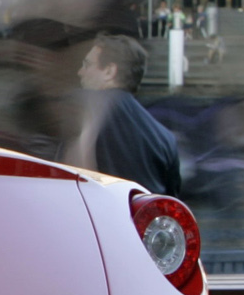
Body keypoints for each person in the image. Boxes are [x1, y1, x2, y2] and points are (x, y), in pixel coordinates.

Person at [70, 33, 182, 195]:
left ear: (109, 71)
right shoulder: (165, 139)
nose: (80, 72)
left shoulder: (78, 109)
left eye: (87, 65)